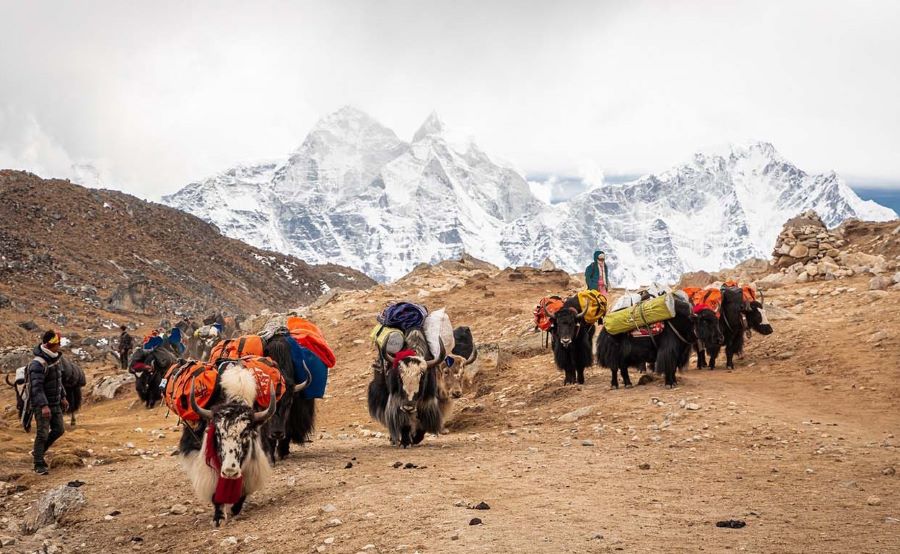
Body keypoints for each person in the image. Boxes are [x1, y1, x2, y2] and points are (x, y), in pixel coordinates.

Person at [30, 330, 68, 475]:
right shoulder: (37, 364)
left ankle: (38, 452)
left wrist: (63, 397)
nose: (59, 346)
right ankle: (38, 464)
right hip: (42, 405)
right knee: (42, 433)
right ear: (49, 344)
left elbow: (58, 381)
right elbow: (36, 387)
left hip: (55, 402)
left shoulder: (55, 359)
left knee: (59, 429)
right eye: (57, 344)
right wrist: (44, 406)